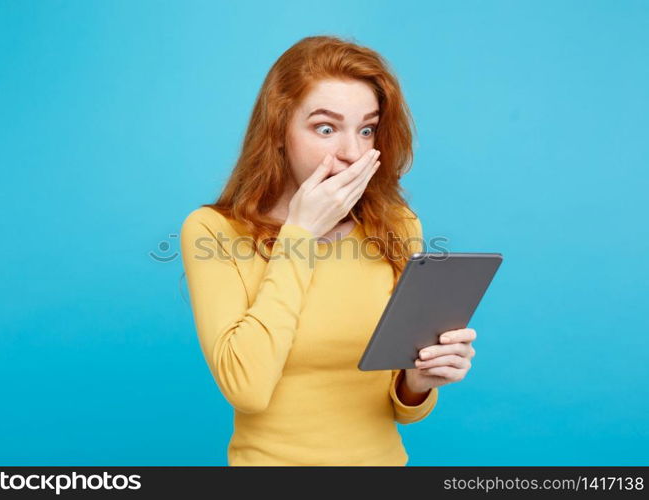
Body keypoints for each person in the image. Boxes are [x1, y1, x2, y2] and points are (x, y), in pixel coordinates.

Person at [180, 35, 477, 466]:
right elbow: (246, 388)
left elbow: (402, 408)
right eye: (325, 128)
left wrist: (419, 379)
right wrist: (300, 235)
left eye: (367, 129)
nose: (352, 153)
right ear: (278, 131)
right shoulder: (213, 231)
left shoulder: (397, 226)